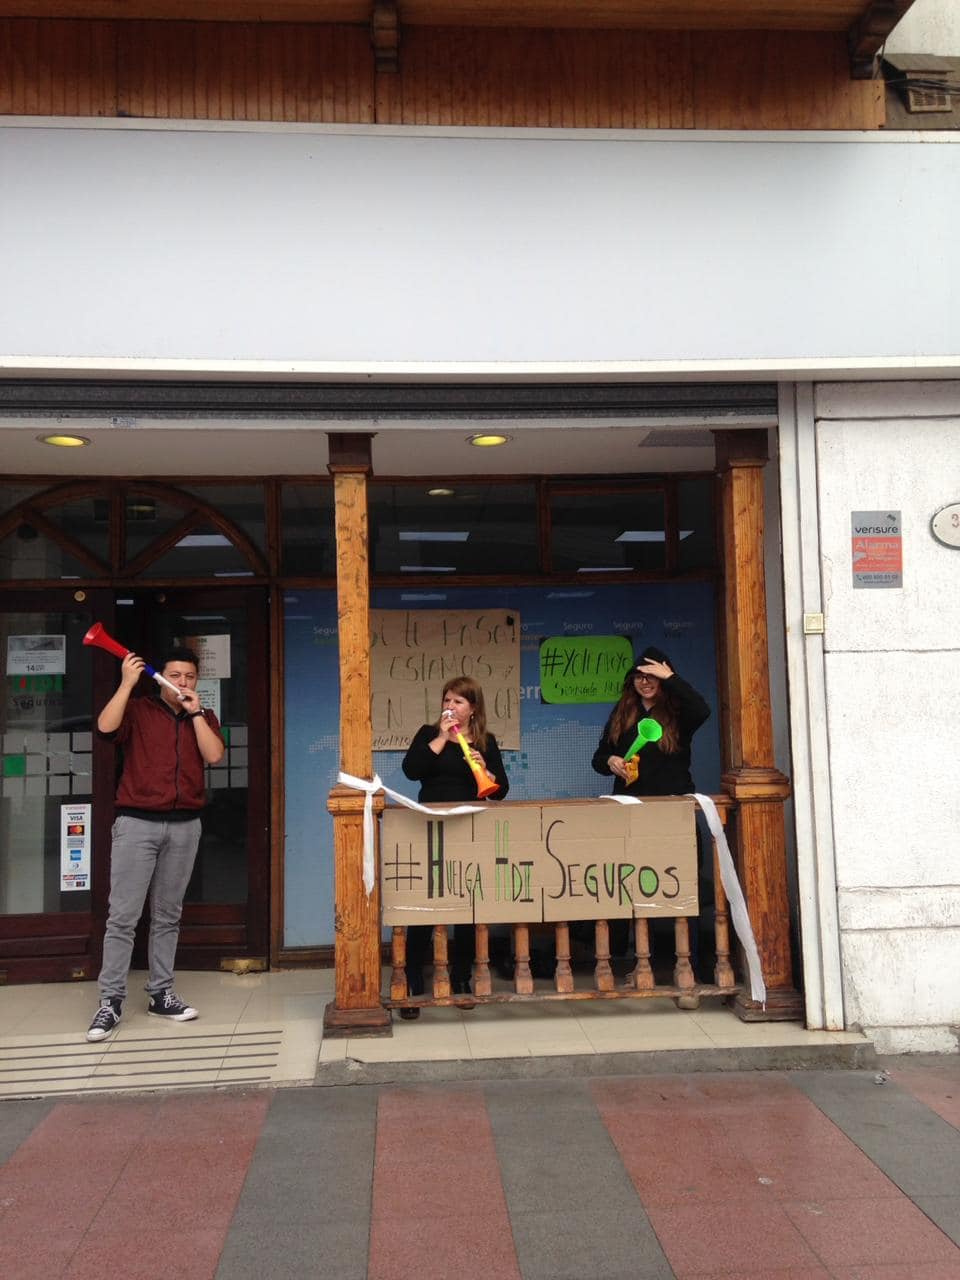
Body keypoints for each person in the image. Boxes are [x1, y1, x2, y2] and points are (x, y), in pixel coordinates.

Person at [86, 646, 225, 1042]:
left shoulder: (204, 716)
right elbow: (105, 729)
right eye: (175, 675)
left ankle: (161, 994)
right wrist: (127, 683)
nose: (182, 682)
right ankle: (110, 1001)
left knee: (168, 916)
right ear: (160, 677)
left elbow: (214, 755)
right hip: (137, 824)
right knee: (123, 917)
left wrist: (195, 713)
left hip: (185, 826)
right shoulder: (139, 710)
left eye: (189, 676)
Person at [591, 646, 711, 981]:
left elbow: (702, 709)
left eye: (652, 676)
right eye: (639, 676)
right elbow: (598, 758)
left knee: (682, 888)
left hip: (673, 813)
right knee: (635, 887)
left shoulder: (680, 713)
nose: (645, 682)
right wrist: (611, 761)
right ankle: (640, 966)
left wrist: (670, 677)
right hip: (630, 815)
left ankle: (688, 967)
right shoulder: (622, 712)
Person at [400, 676, 509, 1017]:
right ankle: (413, 980)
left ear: (473, 708)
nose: (450, 706)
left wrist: (485, 768)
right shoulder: (427, 734)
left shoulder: (487, 742)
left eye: (458, 701)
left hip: (468, 828)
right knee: (425, 902)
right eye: (447, 700)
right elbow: (410, 771)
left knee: (466, 904)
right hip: (430, 827)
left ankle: (461, 977)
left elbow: (501, 790)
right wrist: (441, 739)